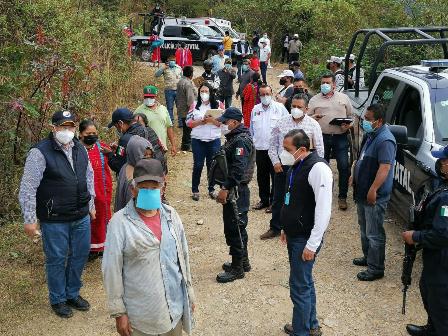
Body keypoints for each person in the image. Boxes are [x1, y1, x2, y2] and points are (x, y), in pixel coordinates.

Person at [102, 158, 195, 336]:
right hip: (141, 318)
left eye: (154, 187)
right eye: (143, 188)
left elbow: (183, 257)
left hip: (173, 311)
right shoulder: (119, 223)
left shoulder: (171, 215)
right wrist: (119, 313)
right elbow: (111, 270)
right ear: (133, 189)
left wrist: (189, 293)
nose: (149, 192)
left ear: (163, 189)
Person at [18, 110, 95, 318]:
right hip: (55, 219)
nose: (67, 131)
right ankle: (58, 298)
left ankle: (72, 293)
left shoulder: (80, 148)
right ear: (54, 128)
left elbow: (89, 176)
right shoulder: (40, 152)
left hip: (80, 215)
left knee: (79, 255)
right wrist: (29, 219)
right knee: (57, 258)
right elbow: (28, 187)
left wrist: (92, 204)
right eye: (63, 126)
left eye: (70, 127)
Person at [280, 129, 332, 336]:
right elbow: (291, 197)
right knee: (305, 282)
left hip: (305, 237)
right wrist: (286, 225)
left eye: (287, 149)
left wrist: (312, 244)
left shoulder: (318, 168)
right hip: (295, 233)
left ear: (302, 149)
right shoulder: (297, 164)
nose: (283, 153)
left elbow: (323, 210)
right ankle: (310, 324)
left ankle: (301, 331)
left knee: (299, 286)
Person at [261, 94, 324, 240]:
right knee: (278, 199)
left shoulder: (313, 125)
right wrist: (275, 162)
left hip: (304, 169)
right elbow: (273, 145)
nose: (295, 109)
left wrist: (316, 167)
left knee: (302, 199)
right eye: (293, 106)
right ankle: (275, 227)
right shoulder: (281, 123)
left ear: (306, 109)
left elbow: (320, 149)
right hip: (283, 167)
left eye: (299, 107)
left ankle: (301, 227)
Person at [403, 145, 448, 336]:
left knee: (440, 300)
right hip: (435, 258)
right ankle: (433, 328)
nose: (441, 164)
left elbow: (443, 234)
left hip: (443, 260)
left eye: (445, 161)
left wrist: (415, 237)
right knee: (427, 290)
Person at [351, 104, 397, 281]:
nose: (365, 121)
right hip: (362, 191)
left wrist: (373, 189)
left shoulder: (385, 140)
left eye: (369, 119)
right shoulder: (371, 135)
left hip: (374, 196)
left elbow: (384, 168)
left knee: (374, 232)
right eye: (365, 118)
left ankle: (376, 268)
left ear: (379, 121)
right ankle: (368, 257)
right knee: (364, 228)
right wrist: (354, 175)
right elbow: (362, 158)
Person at [213, 107, 255, 283]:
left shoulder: (240, 141)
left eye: (225, 121)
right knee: (236, 226)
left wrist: (226, 188)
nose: (222, 124)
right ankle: (242, 261)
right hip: (234, 190)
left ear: (235, 123)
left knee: (235, 227)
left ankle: (238, 268)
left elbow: (238, 169)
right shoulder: (235, 138)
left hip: (236, 191)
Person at [308, 73, 353, 210]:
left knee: (344, 166)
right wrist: (314, 118)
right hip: (322, 137)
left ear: (334, 84)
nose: (324, 85)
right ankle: (322, 195)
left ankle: (342, 197)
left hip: (341, 136)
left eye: (327, 83)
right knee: (322, 167)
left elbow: (351, 116)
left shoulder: (344, 98)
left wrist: (348, 125)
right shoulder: (314, 100)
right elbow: (307, 118)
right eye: (323, 83)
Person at [78, 119, 113, 260]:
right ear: (80, 134)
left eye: (94, 133)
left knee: (103, 218)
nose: (91, 135)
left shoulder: (101, 148)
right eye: (88, 133)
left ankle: (103, 246)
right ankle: (89, 248)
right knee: (88, 221)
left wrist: (111, 153)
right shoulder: (76, 149)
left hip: (103, 191)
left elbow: (115, 162)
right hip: (85, 193)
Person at [250, 85, 289, 211]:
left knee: (276, 176)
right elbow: (251, 129)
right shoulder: (255, 109)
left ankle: (274, 202)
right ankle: (264, 200)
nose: (265, 96)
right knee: (262, 175)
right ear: (259, 95)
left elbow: (287, 126)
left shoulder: (280, 108)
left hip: (276, 150)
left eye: (267, 93)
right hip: (260, 148)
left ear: (271, 94)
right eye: (262, 94)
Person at [186, 82, 224, 201]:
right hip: (198, 140)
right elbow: (188, 123)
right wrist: (200, 122)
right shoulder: (194, 105)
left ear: (211, 92)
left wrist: (212, 120)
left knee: (212, 165)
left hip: (213, 140)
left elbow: (224, 123)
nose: (204, 94)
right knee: (198, 165)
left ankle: (211, 188)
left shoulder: (219, 105)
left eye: (206, 91)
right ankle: (195, 190)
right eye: (201, 91)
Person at [106, 108, 164, 175]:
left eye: (116, 126)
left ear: (120, 123)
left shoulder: (125, 139)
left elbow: (119, 166)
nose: (117, 130)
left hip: (142, 179)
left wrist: (109, 154)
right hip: (158, 171)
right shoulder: (148, 129)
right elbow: (132, 152)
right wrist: (118, 149)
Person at [134, 85, 177, 156]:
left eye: (151, 97)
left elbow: (169, 127)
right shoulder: (138, 111)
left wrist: (173, 145)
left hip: (162, 148)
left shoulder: (163, 109)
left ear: (156, 96)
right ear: (143, 97)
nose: (148, 99)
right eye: (146, 97)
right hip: (147, 151)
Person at [115, 135, 154, 212]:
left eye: (150, 155)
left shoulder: (128, 165)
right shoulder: (134, 179)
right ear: (135, 153)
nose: (148, 158)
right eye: (144, 155)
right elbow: (135, 207)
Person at [155, 55, 182, 124]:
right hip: (169, 91)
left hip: (178, 90)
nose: (172, 62)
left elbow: (182, 78)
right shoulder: (165, 68)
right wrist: (163, 68)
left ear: (175, 61)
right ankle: (170, 122)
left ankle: (181, 122)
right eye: (171, 61)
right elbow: (156, 75)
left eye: (174, 61)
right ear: (168, 61)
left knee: (179, 107)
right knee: (170, 107)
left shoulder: (179, 68)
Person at [176, 65, 197, 151]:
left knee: (186, 128)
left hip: (181, 108)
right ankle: (187, 146)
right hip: (187, 109)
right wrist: (193, 110)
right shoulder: (188, 83)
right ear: (191, 74)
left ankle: (184, 145)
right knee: (188, 129)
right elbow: (190, 99)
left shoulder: (181, 81)